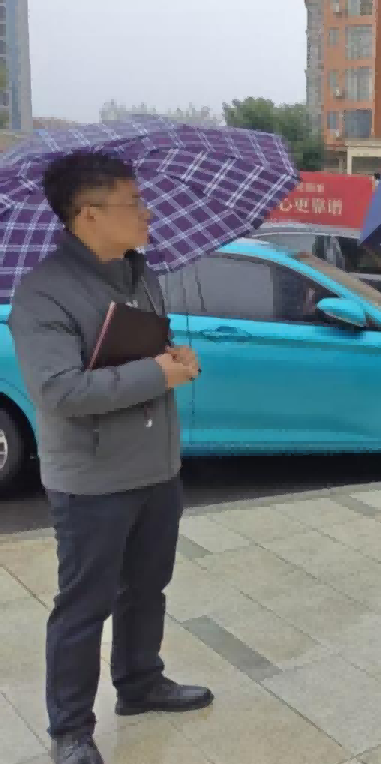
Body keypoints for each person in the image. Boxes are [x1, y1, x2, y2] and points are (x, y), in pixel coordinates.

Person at [8, 151, 211, 764]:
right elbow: (60, 391)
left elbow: (139, 352)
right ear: (88, 214)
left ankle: (140, 682)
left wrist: (173, 357)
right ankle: (70, 728)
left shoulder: (139, 274)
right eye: (134, 202)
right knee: (84, 604)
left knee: (147, 587)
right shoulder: (43, 294)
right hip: (92, 480)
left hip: (156, 466)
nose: (147, 212)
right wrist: (156, 374)